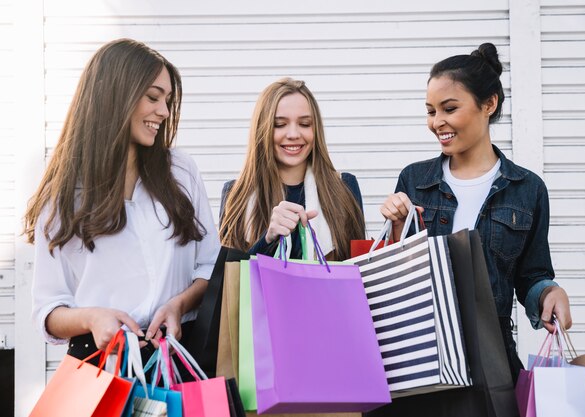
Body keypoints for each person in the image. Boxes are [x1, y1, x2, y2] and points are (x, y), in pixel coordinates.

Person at [380, 43, 572, 382]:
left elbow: (531, 274)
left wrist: (548, 292)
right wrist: (397, 231)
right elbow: (397, 282)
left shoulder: (528, 189)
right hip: (422, 354)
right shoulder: (414, 180)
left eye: (449, 108)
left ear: (489, 104)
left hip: (493, 354)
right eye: (430, 111)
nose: (437, 122)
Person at [25, 38, 220, 363]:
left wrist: (179, 305)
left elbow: (210, 265)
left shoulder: (181, 171)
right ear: (114, 96)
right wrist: (92, 318)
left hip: (175, 358)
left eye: (168, 99)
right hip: (98, 364)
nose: (164, 111)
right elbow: (48, 309)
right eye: (153, 97)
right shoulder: (63, 195)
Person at [219, 77, 365, 260]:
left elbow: (360, 273)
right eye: (280, 125)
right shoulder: (236, 194)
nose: (294, 134)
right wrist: (268, 239)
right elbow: (230, 281)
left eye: (305, 124)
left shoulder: (344, 187)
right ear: (262, 130)